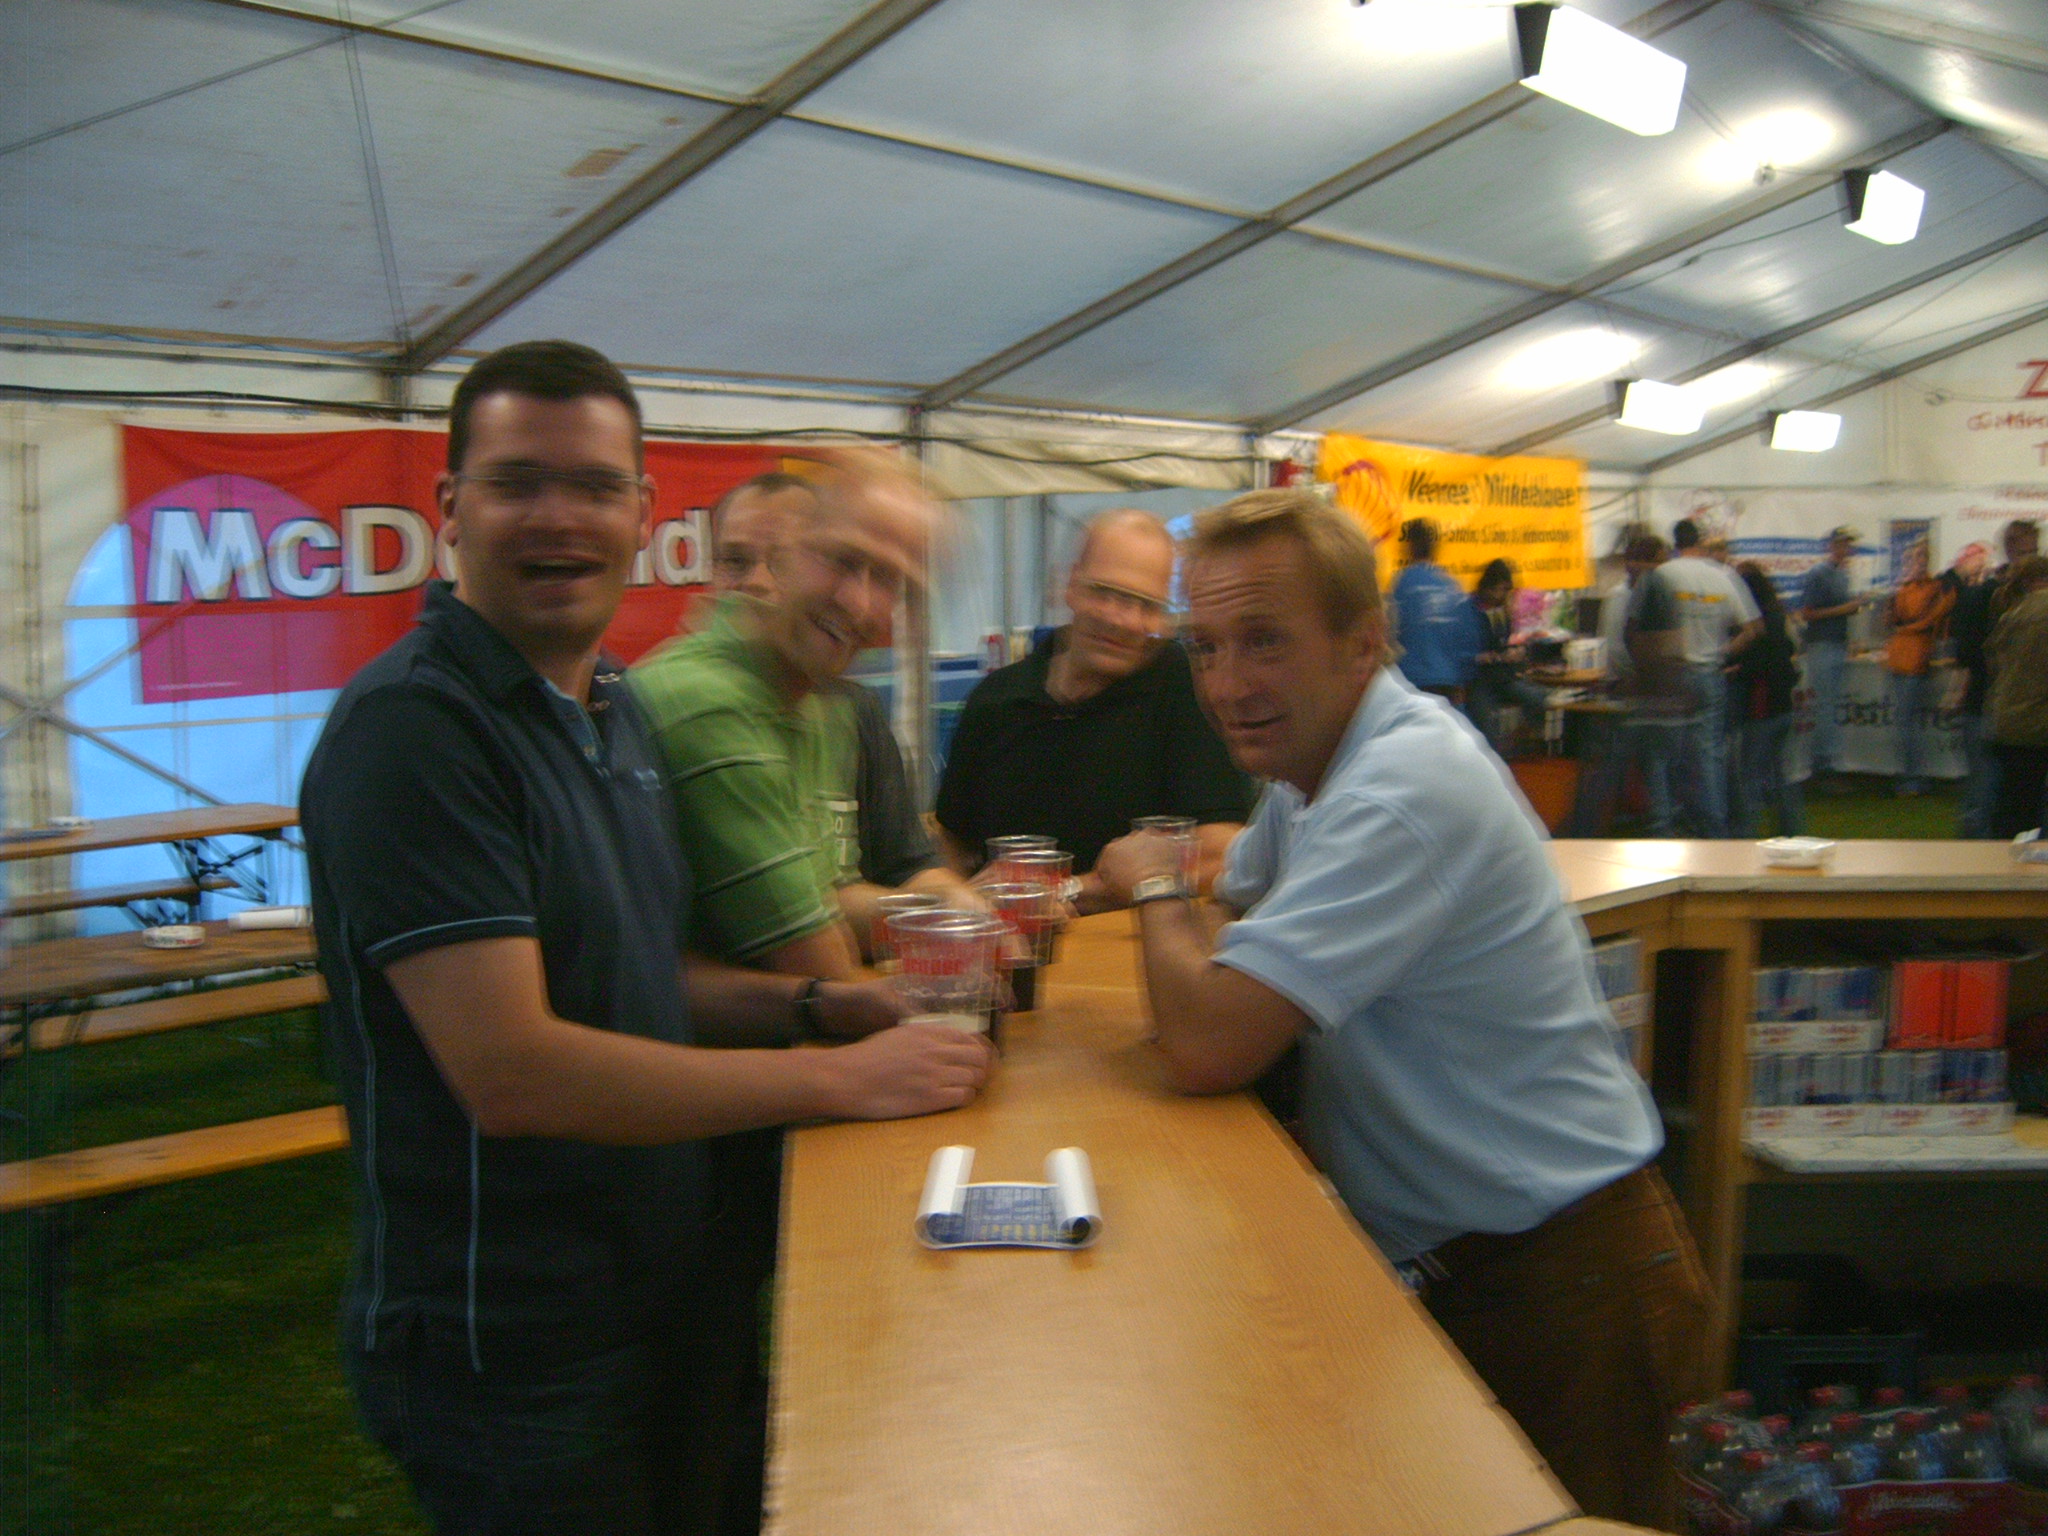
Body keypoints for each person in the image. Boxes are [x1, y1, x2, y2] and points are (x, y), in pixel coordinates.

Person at [299, 341, 990, 1536]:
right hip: (514, 1342)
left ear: (641, 512)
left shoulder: (607, 708)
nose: (557, 517)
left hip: (658, 1279)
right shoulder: (415, 730)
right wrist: (836, 1076)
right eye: (517, 482)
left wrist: (821, 1007)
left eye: (592, 486)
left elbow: (641, 976)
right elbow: (514, 1071)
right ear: (451, 507)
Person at [1092, 489, 1707, 1525]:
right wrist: (1188, 922)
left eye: (1263, 641)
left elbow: (1205, 1042)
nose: (1226, 685)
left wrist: (1152, 883)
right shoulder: (1318, 764)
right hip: (1488, 1260)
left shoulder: (1396, 787)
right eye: (1204, 648)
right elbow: (1235, 910)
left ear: (1363, 641)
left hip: (1566, 1280)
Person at [934, 509, 1251, 908]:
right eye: (1106, 593)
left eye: (1146, 605)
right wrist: (961, 904)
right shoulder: (996, 701)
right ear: (1071, 586)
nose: (1124, 620)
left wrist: (1064, 891)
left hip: (1132, 944)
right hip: (1011, 936)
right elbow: (953, 842)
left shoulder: (1188, 690)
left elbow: (1220, 853)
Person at [703, 470, 958, 906]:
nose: (757, 582)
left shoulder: (850, 711)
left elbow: (908, 865)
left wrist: (961, 903)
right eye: (735, 561)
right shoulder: (684, 710)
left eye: (780, 558)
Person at [1564, 533, 1693, 837]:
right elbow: (1622, 643)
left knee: (1629, 768)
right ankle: (1594, 828)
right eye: (1660, 560)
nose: (1664, 566)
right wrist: (1634, 677)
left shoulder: (1631, 592)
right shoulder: (1637, 593)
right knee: (1631, 768)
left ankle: (1591, 827)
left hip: (1635, 692)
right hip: (1634, 692)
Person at [1661, 518, 1761, 837]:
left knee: (1671, 751)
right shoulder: (1723, 575)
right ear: (1700, 542)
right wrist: (1722, 653)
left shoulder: (1663, 575)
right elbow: (1753, 629)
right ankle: (1715, 827)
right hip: (1709, 672)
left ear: (1675, 543)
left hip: (1674, 673)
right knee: (1709, 753)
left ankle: (1679, 822)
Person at [1951, 520, 2039, 836]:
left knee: (2010, 795)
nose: (2031, 557)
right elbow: (1967, 652)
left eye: (2034, 550)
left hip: (2019, 710)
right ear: (2011, 550)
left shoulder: (2026, 599)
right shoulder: (1985, 595)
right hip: (1987, 704)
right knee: (1983, 790)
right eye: (2026, 551)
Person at [1728, 562, 1805, 837]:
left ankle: (1745, 835)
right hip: (1783, 705)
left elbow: (1757, 665)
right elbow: (1788, 654)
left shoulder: (1753, 627)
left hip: (1760, 708)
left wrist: (1735, 669)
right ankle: (1792, 832)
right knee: (1783, 775)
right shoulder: (1778, 618)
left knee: (1750, 777)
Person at [1882, 539, 1954, 798]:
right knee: (1904, 722)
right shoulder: (1904, 589)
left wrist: (1904, 627)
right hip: (1898, 657)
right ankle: (1909, 775)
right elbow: (1892, 620)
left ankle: (1914, 777)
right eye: (1912, 558)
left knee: (1907, 722)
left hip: (1916, 658)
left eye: (1922, 557)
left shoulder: (1937, 588)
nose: (1916, 562)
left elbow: (1930, 620)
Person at [1463, 557, 1552, 755]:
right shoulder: (1469, 610)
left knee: (1539, 697)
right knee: (1487, 726)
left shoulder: (1502, 611)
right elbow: (1465, 651)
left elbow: (1504, 641)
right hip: (1479, 680)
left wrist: (1515, 652)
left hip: (1503, 677)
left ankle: (1522, 740)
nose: (1503, 595)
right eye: (1500, 589)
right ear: (1488, 587)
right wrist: (1494, 657)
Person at [1799, 525, 1865, 790]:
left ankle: (1827, 765)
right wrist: (1845, 609)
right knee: (1826, 707)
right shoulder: (1819, 573)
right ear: (1832, 545)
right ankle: (1822, 768)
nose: (1846, 549)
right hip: (1822, 645)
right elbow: (1807, 613)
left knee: (1831, 707)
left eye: (1849, 544)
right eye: (1842, 544)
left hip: (1836, 644)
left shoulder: (1842, 575)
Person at [1986, 555, 2048, 838]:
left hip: (2009, 719)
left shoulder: (2013, 613)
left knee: (2013, 809)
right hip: (2038, 722)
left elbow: (1994, 663)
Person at [1386, 517, 1480, 701]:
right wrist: (1463, 680)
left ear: (1409, 547)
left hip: (1412, 681)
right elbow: (1468, 638)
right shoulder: (1451, 585)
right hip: (1449, 681)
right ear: (1434, 548)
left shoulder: (1403, 583)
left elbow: (1391, 633)